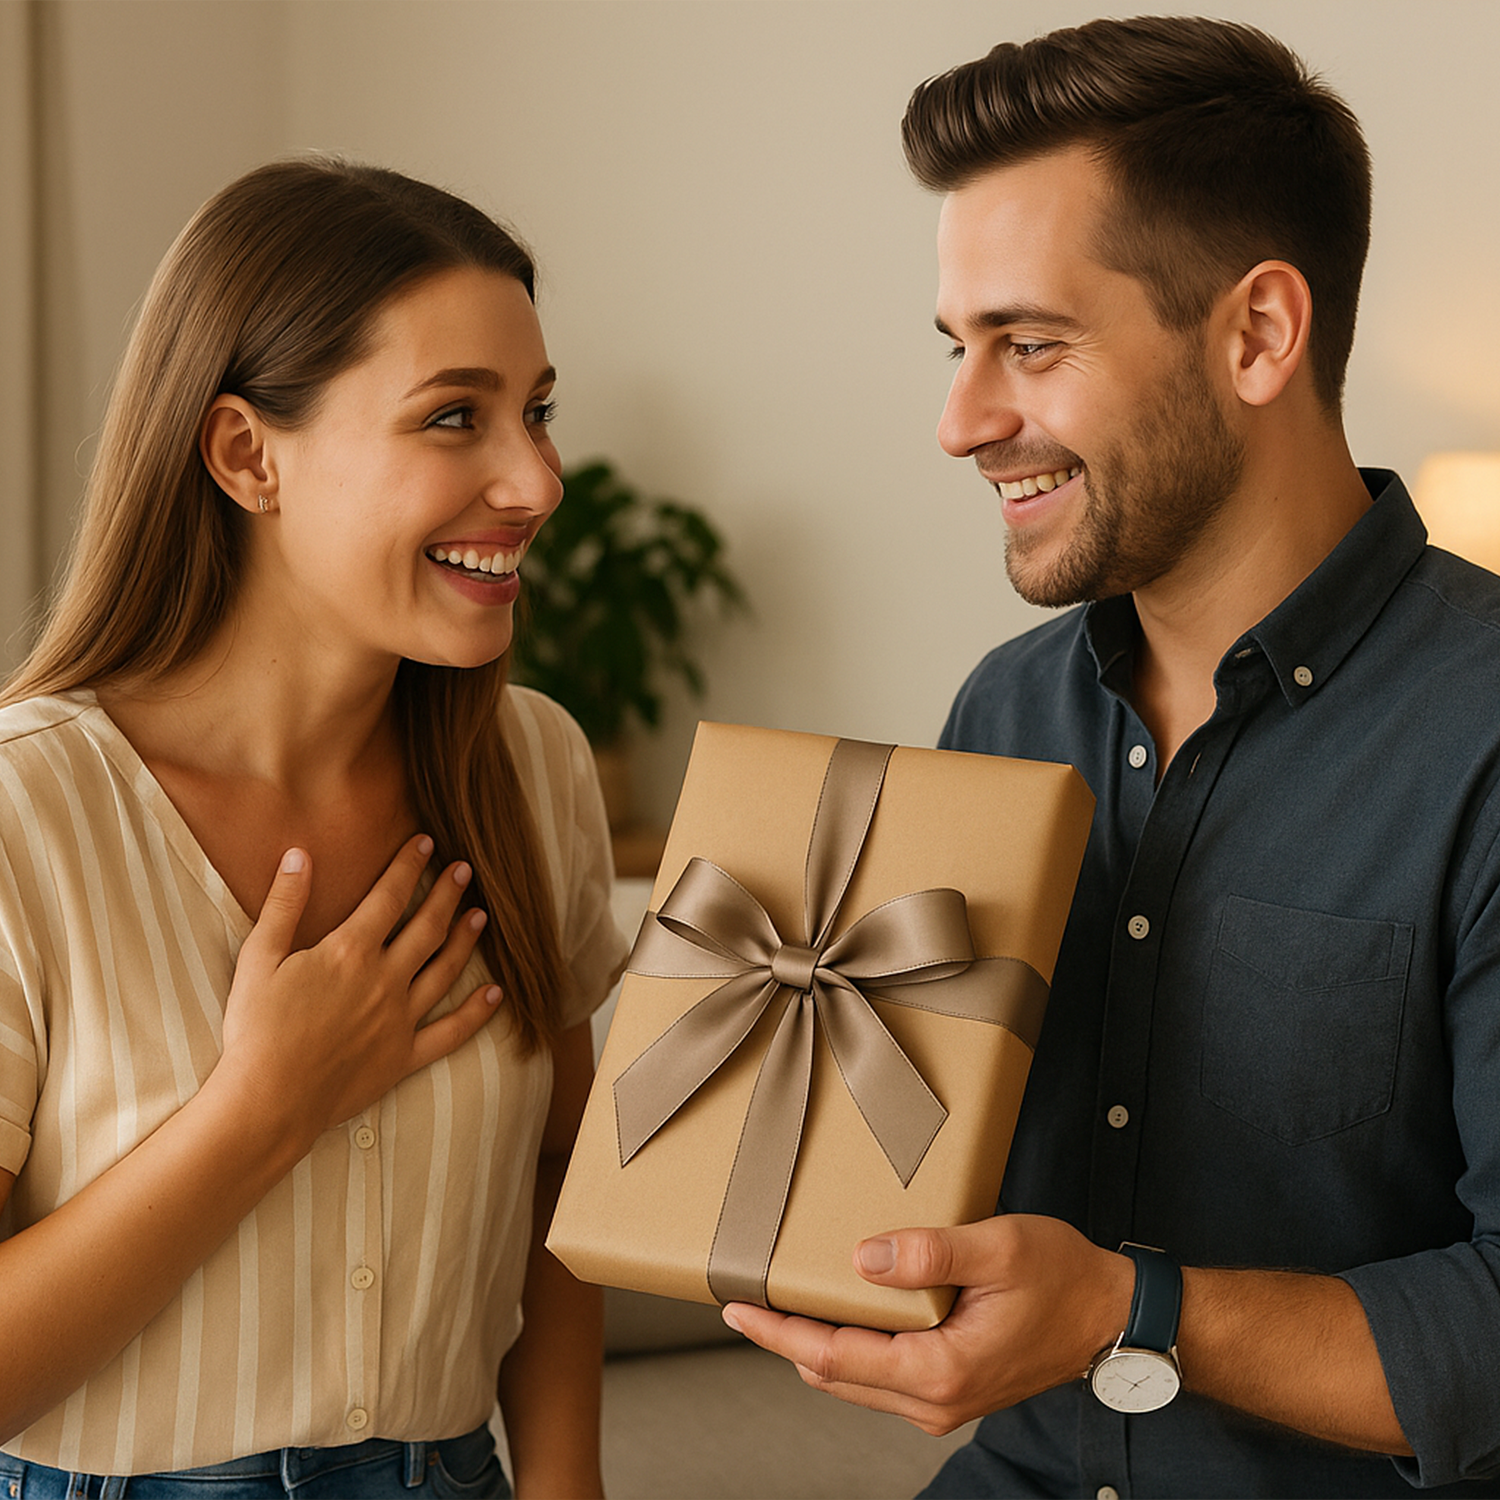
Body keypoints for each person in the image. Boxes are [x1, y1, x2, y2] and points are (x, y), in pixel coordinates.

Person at [723, 16, 1500, 1497]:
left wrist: (1128, 1310)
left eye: (1030, 343)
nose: (962, 421)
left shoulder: (1483, 739)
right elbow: (926, 1183)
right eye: (960, 348)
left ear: (1259, 334)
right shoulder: (1004, 715)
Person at [0, 158, 627, 1499]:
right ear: (246, 455)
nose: (537, 480)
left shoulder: (535, 768)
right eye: (456, 418)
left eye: (538, 411)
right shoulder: (25, 813)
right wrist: (260, 1110)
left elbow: (564, 1180)